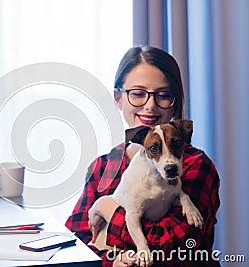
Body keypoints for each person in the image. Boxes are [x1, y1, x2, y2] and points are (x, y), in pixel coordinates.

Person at [65, 46, 220, 267]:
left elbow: (178, 246)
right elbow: (74, 242)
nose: (150, 106)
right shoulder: (103, 167)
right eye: (138, 94)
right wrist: (111, 262)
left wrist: (108, 209)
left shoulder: (196, 166)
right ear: (118, 99)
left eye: (164, 95)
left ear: (176, 101)